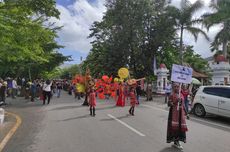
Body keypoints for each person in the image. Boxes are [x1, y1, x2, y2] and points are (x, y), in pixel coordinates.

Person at [167, 83, 188, 150]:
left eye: (178, 86)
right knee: (175, 128)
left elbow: (183, 105)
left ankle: (178, 141)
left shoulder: (181, 94)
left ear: (179, 87)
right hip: (174, 114)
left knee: (180, 128)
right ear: (173, 87)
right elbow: (169, 104)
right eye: (175, 87)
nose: (176, 88)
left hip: (181, 114)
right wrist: (176, 101)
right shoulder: (171, 95)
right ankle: (176, 141)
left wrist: (187, 113)